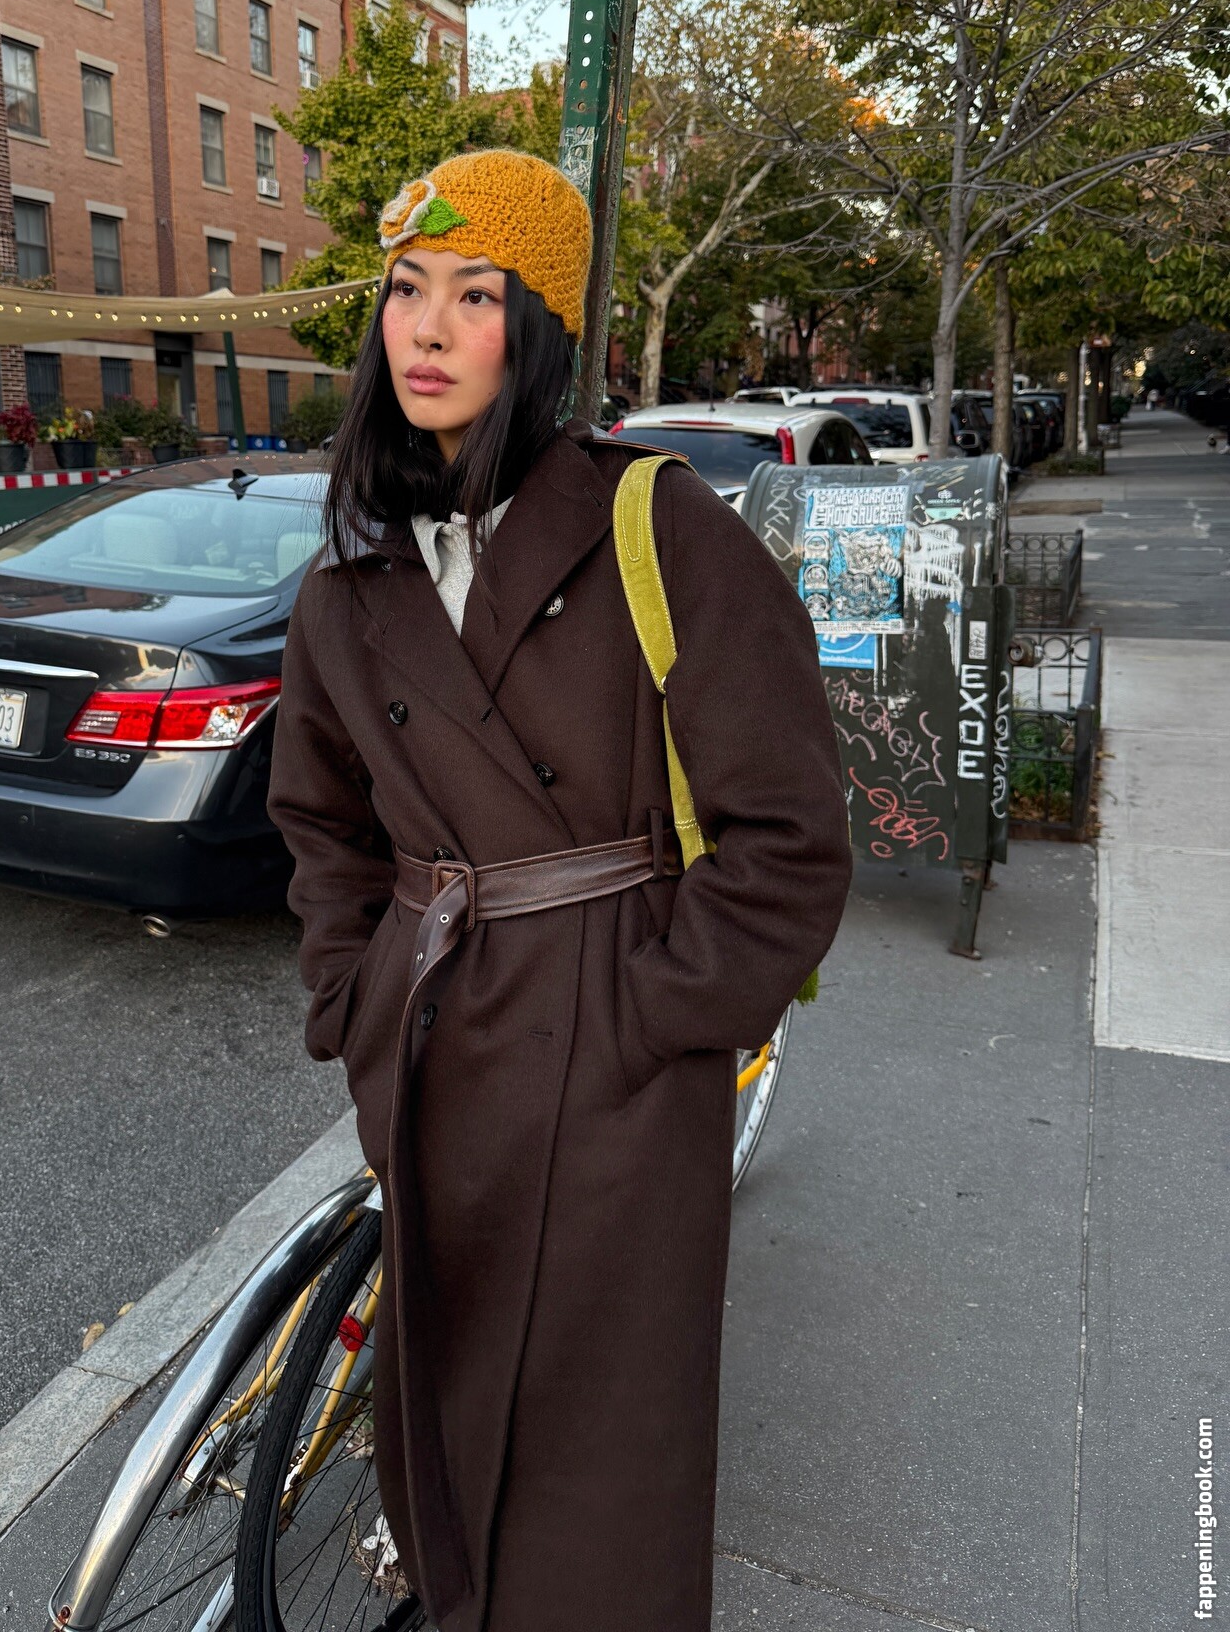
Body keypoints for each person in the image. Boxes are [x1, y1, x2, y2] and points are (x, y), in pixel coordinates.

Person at [265, 148, 852, 1632]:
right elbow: (319, 818)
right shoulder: (350, 574)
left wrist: (655, 1019)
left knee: (604, 1469)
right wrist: (352, 996)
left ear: (536, 333)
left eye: (477, 295)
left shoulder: (657, 525)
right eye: (407, 290)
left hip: (616, 1063)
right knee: (446, 1434)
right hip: (430, 1044)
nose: (428, 328)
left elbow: (787, 831)